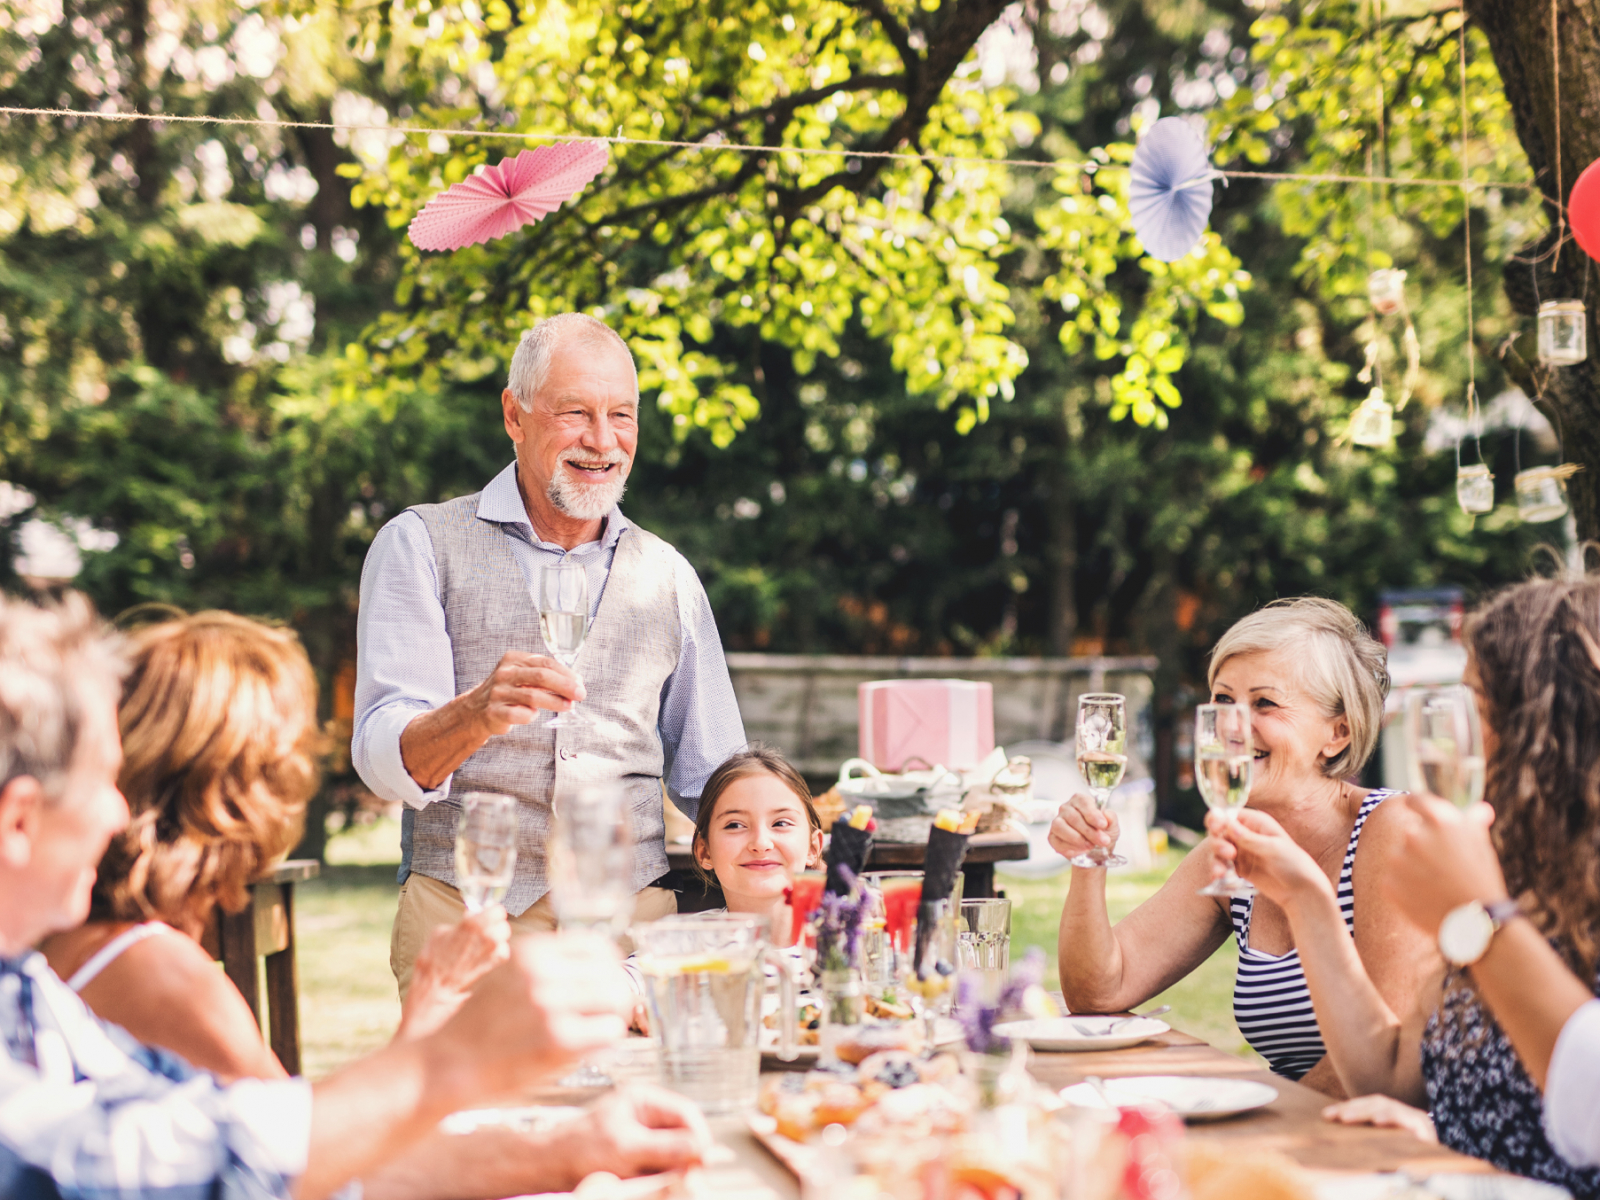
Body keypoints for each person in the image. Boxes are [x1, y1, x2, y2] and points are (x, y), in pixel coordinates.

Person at [0, 592, 655, 1200]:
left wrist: (573, 1149)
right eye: (100, 782)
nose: (118, 811)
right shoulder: (152, 970)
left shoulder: (34, 990)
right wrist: (453, 1061)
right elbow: (260, 1168)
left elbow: (302, 1152)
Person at [353, 312, 748, 996]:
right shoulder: (418, 544)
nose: (602, 441)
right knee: (476, 1107)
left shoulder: (668, 574)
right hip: (466, 919)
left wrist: (779, 830)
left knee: (635, 1105)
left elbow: (712, 772)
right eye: (576, 413)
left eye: (622, 416)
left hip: (630, 930)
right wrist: (474, 714)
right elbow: (384, 762)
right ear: (515, 414)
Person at [1210, 577, 1600, 1195]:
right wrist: (1307, 899)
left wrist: (1481, 916)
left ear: (1547, 727)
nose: (1452, 739)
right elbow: (1388, 1077)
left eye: (1475, 704)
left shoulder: (1503, 896)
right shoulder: (1522, 873)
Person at [40, 612, 509, 1082]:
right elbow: (306, 1146)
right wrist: (434, 1003)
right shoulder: (155, 970)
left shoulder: (70, 933)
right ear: (251, 785)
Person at [1050, 597, 1434, 1095]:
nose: (1232, 726)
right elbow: (1098, 992)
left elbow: (1391, 1062)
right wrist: (1089, 861)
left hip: (1390, 1144)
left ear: (1337, 734)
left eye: (1265, 704)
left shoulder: (1391, 830)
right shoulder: (1231, 850)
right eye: (1223, 701)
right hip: (1301, 1128)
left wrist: (1256, 1110)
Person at [690, 746, 824, 924]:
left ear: (813, 848)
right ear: (704, 851)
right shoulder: (679, 946)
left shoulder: (854, 942)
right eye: (735, 825)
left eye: (781, 823)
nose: (761, 843)